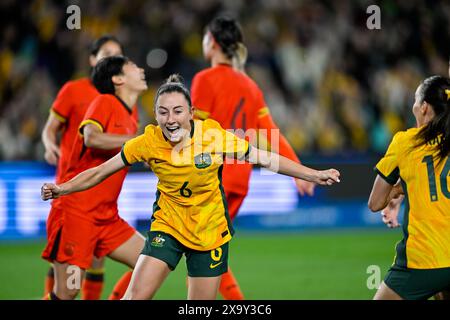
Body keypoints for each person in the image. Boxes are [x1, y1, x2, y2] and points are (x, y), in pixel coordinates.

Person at [41, 74, 340, 300]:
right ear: (155, 114)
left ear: (191, 112)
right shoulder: (148, 141)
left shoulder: (213, 136)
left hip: (209, 231)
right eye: (162, 112)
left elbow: (265, 157)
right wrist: (62, 188)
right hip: (167, 227)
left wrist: (312, 174)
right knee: (134, 297)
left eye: (177, 112)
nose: (170, 120)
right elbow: (101, 171)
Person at [190, 15, 315, 299]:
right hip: (239, 180)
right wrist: (299, 170)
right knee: (207, 252)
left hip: (212, 179)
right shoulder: (250, 85)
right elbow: (272, 133)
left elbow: (196, 132)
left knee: (169, 248)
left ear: (211, 42)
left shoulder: (204, 80)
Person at [41, 55, 147, 300]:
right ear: (118, 79)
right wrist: (137, 142)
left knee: (150, 259)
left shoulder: (131, 116)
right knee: (68, 291)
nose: (140, 69)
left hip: (107, 216)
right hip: (77, 213)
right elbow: (91, 137)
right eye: (133, 66)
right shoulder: (105, 102)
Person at [368, 75, 450, 300]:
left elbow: (375, 203)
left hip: (423, 260)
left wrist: (394, 191)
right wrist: (402, 190)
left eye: (415, 100)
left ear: (423, 107)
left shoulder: (405, 142)